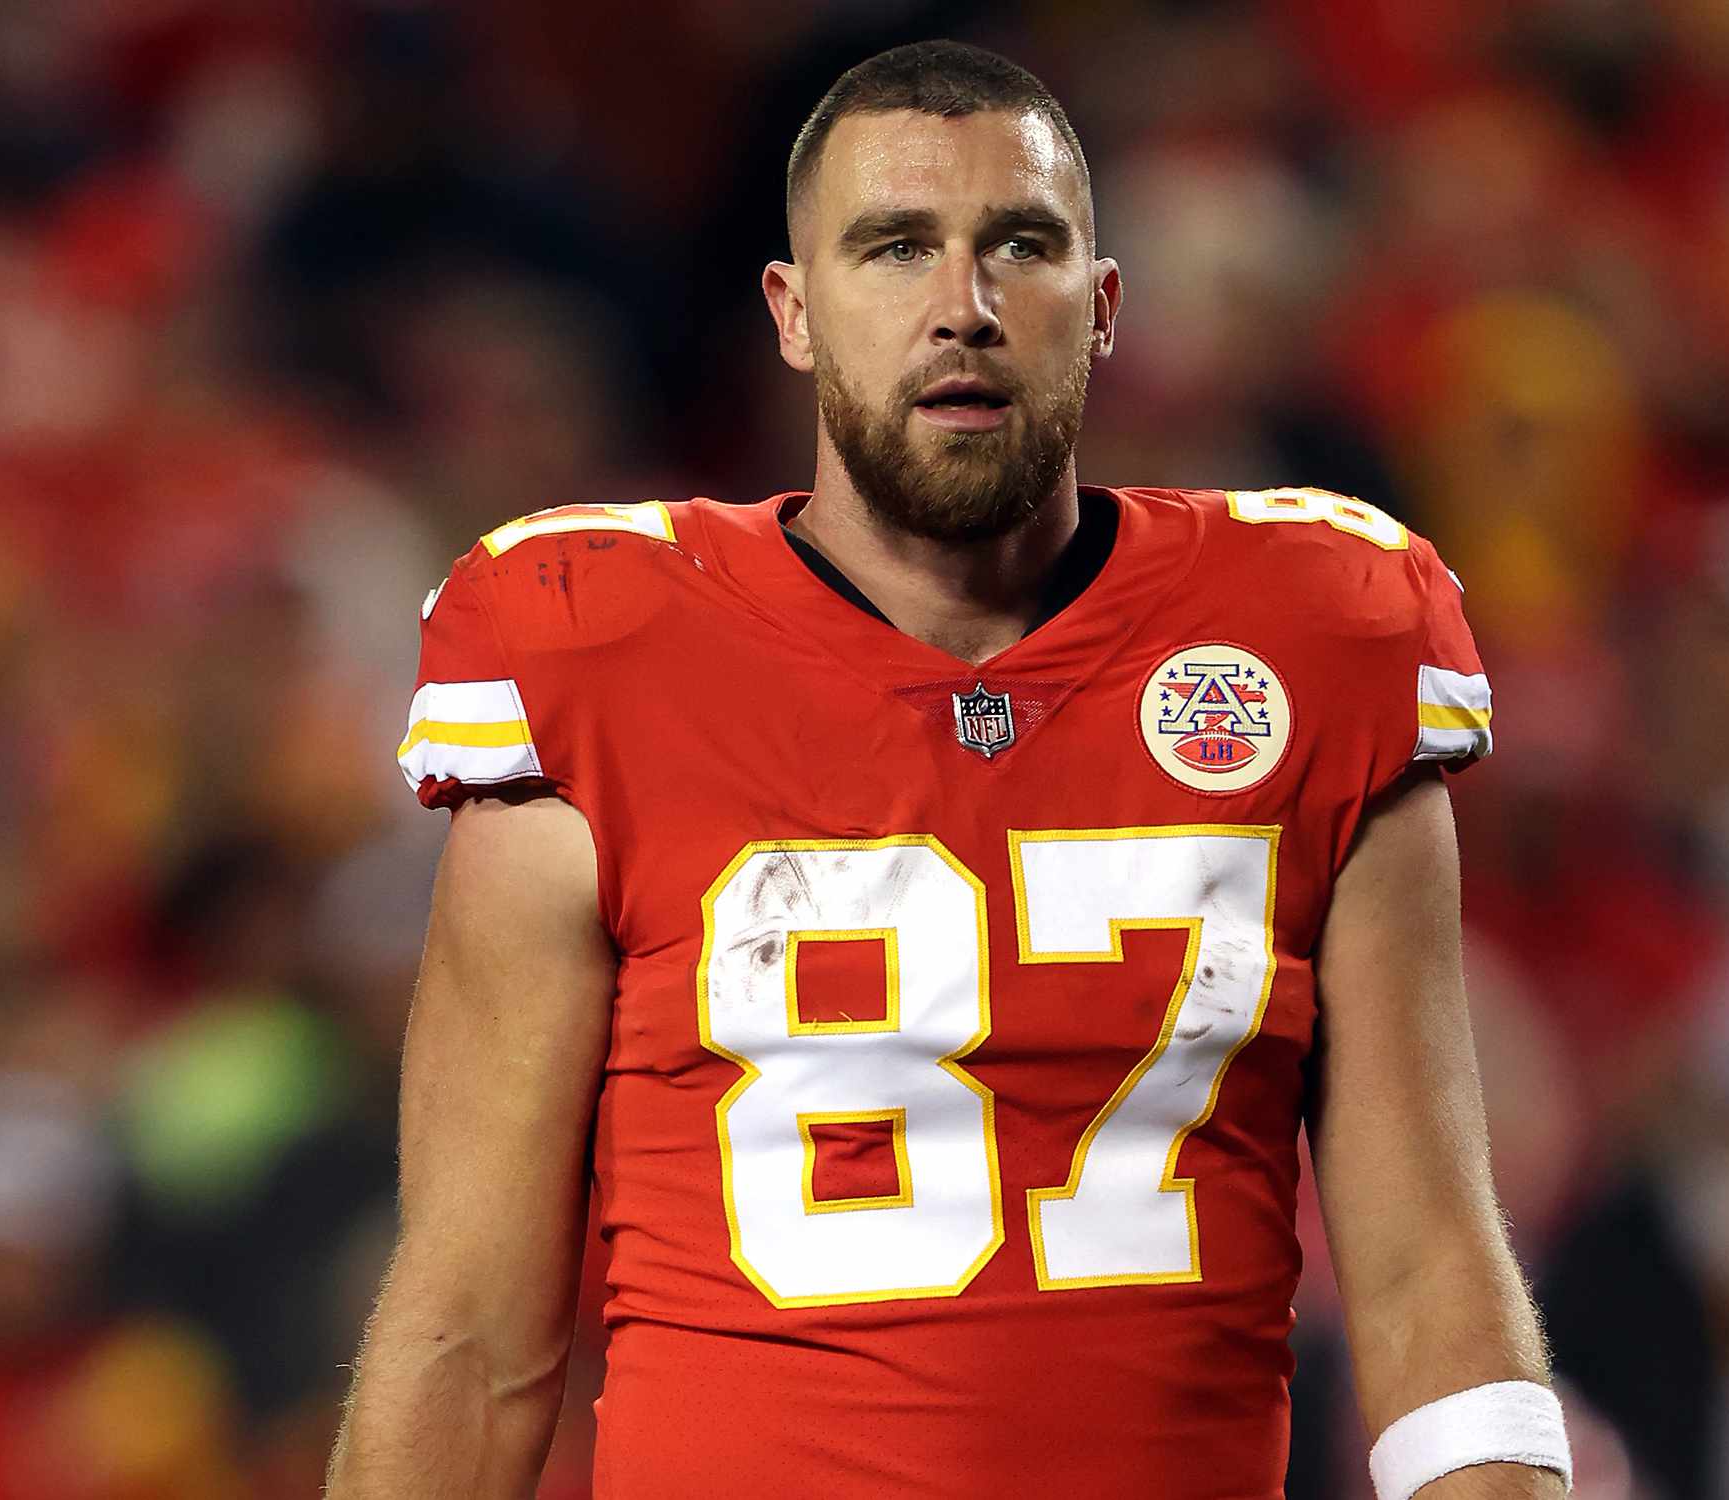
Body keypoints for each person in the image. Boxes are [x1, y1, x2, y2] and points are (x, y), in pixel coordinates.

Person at [325, 40, 1569, 1500]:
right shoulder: (593, 651)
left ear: (1101, 310)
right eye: (895, 247)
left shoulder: (1320, 633)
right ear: (793, 312)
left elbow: (1428, 1267)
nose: (962, 309)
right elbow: (472, 1328)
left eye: (1019, 247)